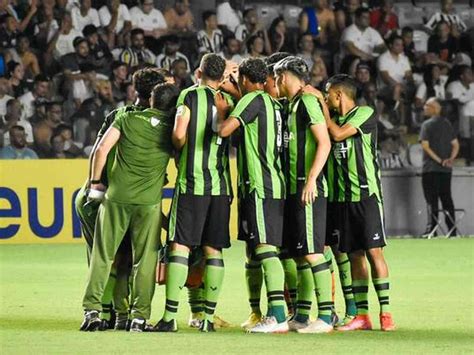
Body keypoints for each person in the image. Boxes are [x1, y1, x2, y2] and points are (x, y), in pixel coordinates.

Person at [80, 81, 178, 332]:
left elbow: (101, 149)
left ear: (151, 100)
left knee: (103, 255)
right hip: (148, 203)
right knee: (145, 261)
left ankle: (92, 311)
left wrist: (95, 183)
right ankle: (139, 317)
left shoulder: (126, 119)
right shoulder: (173, 129)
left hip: (116, 198)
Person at [154, 54, 232, 333]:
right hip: (221, 185)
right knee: (214, 249)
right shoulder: (230, 100)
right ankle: (207, 319)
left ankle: (169, 317)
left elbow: (177, 134)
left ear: (198, 71)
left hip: (192, 182)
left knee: (180, 247)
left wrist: (181, 147)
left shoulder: (188, 95)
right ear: (220, 75)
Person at [215, 58, 288, 333]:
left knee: (266, 250)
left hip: (261, 185)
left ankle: (277, 316)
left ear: (245, 79)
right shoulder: (272, 103)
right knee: (255, 251)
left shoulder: (252, 100)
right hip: (268, 185)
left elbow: (223, 131)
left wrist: (222, 112)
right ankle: (259, 313)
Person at [324, 74, 395, 332]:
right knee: (354, 255)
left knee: (375, 252)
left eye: (328, 94)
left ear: (339, 95)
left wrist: (322, 111)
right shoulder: (334, 119)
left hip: (366, 196)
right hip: (342, 199)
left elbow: (340, 135)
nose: (326, 98)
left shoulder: (364, 113)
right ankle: (362, 316)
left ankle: (385, 313)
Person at [273, 56, 333, 334]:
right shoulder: (294, 104)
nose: (275, 83)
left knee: (312, 253)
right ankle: (302, 315)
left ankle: (327, 316)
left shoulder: (307, 102)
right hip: (294, 188)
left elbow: (325, 142)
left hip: (308, 187)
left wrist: (311, 180)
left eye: (276, 78)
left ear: (284, 76)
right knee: (300, 255)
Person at [419, 98, 459, 237]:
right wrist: (450, 160)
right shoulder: (447, 124)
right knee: (447, 198)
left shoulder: (426, 125)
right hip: (446, 170)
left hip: (430, 169)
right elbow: (455, 144)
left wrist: (439, 160)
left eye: (427, 105)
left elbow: (425, 146)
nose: (424, 107)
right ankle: (452, 229)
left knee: (431, 200)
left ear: (435, 108)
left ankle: (432, 229)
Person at [340, 7, 386, 72]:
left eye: (368, 18)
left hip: (369, 61)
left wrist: (376, 55)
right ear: (357, 19)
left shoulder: (373, 32)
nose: (367, 20)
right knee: (356, 60)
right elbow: (351, 48)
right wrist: (368, 57)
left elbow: (382, 46)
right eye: (364, 17)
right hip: (351, 61)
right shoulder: (349, 31)